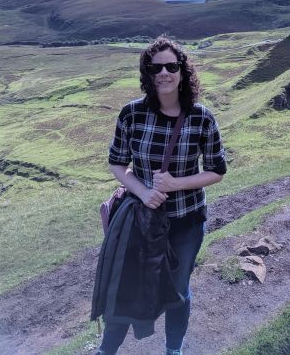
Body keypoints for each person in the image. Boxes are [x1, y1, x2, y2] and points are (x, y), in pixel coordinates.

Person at [95, 35, 227, 355]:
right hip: (141, 220)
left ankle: (173, 350)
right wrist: (142, 192)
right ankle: (106, 350)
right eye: (155, 68)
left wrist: (174, 184)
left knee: (177, 290)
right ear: (147, 74)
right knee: (126, 283)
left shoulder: (201, 117)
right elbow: (117, 162)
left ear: (182, 72)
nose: (163, 73)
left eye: (171, 66)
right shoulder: (132, 114)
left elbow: (217, 171)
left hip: (186, 222)